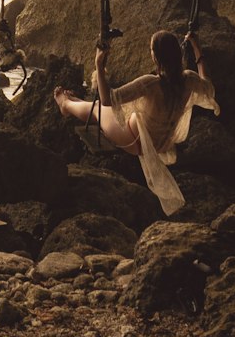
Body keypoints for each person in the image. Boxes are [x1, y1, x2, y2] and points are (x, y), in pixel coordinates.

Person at [53, 29, 219, 215]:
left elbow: (108, 98)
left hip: (135, 141)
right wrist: (197, 48)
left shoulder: (151, 84)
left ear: (156, 57)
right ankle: (76, 102)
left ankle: (65, 104)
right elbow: (209, 87)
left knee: (100, 108)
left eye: (151, 50)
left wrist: (99, 64)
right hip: (161, 143)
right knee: (105, 108)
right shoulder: (189, 79)